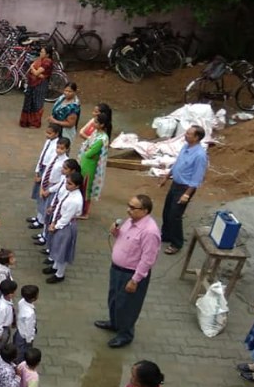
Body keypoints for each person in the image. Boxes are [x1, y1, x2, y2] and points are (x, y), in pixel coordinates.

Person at [94, 194, 161, 348]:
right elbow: (123, 238)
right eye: (128, 205)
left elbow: (148, 259)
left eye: (132, 207)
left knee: (128, 306)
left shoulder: (150, 232)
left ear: (144, 210)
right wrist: (116, 232)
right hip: (117, 269)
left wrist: (135, 280)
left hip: (131, 274)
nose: (128, 210)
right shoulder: (130, 221)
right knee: (114, 299)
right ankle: (114, 323)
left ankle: (125, 334)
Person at [159, 125, 208, 255]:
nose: (185, 135)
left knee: (175, 215)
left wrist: (186, 194)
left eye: (189, 134)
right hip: (175, 184)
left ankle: (176, 243)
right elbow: (177, 164)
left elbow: (197, 177)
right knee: (167, 211)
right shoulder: (185, 147)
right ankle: (166, 235)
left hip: (184, 189)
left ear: (196, 137)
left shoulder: (200, 155)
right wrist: (167, 176)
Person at [78, 111, 111, 219]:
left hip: (90, 166)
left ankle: (85, 212)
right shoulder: (96, 133)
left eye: (96, 122)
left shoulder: (101, 139)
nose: (93, 123)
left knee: (86, 188)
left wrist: (87, 150)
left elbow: (89, 153)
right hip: (86, 163)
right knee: (82, 187)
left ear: (102, 125)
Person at [19, 45, 53, 128]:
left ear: (47, 54)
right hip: (32, 83)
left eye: (42, 52)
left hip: (40, 85)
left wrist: (32, 68)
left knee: (37, 103)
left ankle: (35, 122)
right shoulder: (39, 60)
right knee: (29, 102)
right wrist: (35, 72)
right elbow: (37, 73)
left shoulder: (47, 62)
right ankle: (26, 121)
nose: (40, 53)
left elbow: (36, 73)